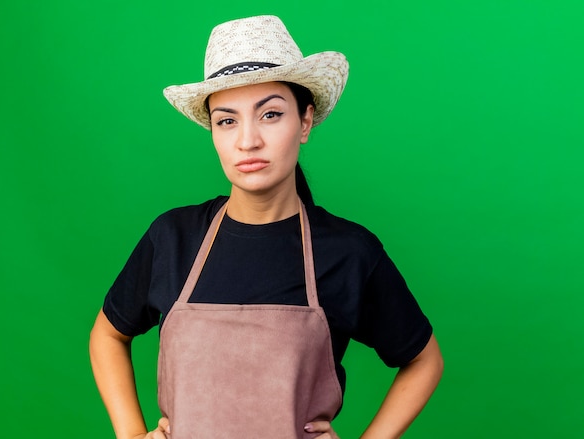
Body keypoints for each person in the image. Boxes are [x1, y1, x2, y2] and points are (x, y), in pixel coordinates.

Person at [89, 15, 443, 439]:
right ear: (214, 133)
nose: (247, 140)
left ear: (305, 122)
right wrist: (130, 435)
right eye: (227, 120)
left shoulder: (349, 252)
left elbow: (424, 361)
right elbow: (107, 336)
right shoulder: (173, 238)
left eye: (270, 114)